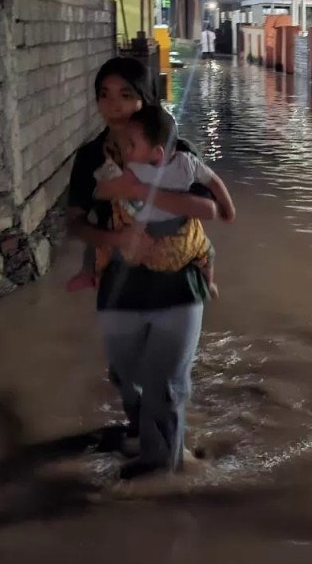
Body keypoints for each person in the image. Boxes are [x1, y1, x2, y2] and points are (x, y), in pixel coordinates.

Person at [65, 56, 223, 480]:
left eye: (126, 95)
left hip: (178, 284)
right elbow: (75, 222)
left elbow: (209, 208)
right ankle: (142, 434)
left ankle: (162, 471)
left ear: (146, 99)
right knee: (124, 375)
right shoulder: (89, 160)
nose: (114, 105)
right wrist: (116, 239)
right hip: (119, 284)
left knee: (166, 386)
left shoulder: (174, 154)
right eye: (104, 95)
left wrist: (138, 191)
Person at [96, 104, 234, 298]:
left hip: (140, 246)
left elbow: (106, 188)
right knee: (207, 252)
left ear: (157, 153)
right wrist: (227, 208)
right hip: (179, 248)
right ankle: (209, 284)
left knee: (107, 236)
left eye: (132, 145)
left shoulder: (134, 169)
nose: (127, 149)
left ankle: (100, 274)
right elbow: (214, 182)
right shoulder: (188, 162)